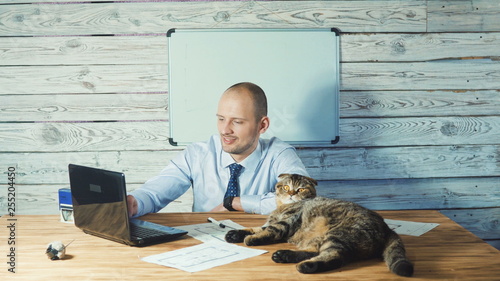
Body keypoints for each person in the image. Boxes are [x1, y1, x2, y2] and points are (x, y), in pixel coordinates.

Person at [127, 82, 309, 217]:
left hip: (260, 243)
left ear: (262, 125)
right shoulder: (198, 154)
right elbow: (154, 193)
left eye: (237, 121)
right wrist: (134, 203)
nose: (224, 130)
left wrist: (235, 203)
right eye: (221, 119)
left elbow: (303, 201)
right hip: (206, 241)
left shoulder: (279, 154)